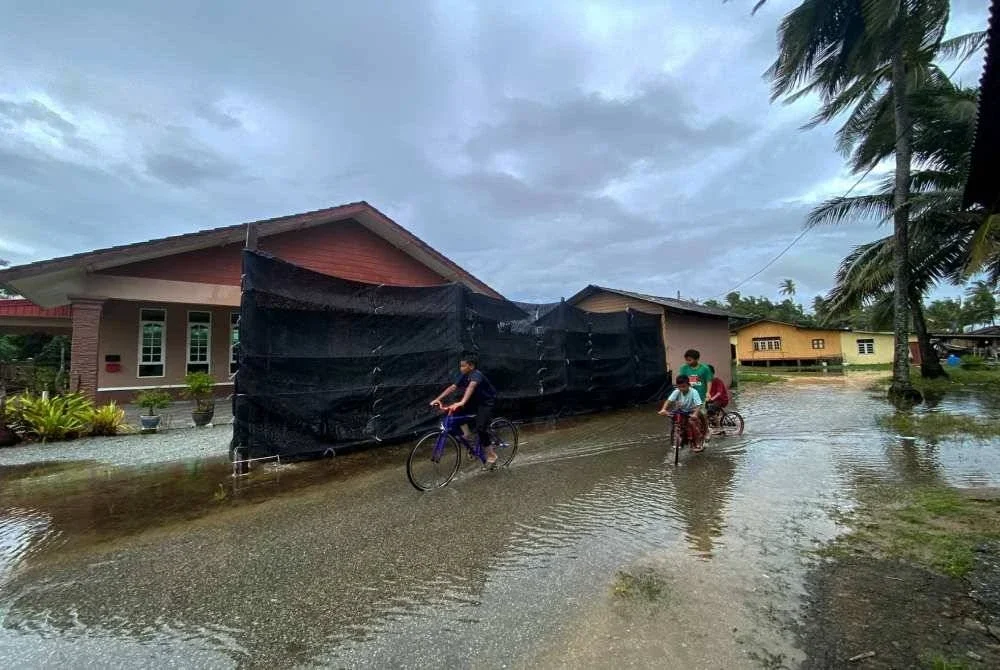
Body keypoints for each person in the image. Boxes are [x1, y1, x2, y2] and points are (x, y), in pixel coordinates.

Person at [430, 353, 498, 464]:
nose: (460, 368)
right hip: (474, 401)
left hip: (485, 402)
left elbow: (471, 387)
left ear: (471, 366)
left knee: (481, 428)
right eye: (460, 366)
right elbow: (452, 388)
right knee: (455, 410)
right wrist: (438, 399)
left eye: (463, 366)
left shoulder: (477, 375)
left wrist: (462, 402)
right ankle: (467, 434)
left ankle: (491, 454)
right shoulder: (464, 375)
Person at [657, 374, 704, 451]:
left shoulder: (694, 392)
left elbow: (698, 405)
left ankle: (697, 442)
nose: (681, 389)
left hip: (692, 411)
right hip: (681, 411)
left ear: (689, 385)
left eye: (684, 386)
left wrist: (695, 414)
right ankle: (677, 439)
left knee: (691, 423)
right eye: (679, 387)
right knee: (674, 421)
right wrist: (663, 409)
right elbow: (669, 401)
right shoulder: (677, 391)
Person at [678, 349, 712, 437]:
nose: (688, 362)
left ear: (697, 359)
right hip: (687, 396)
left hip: (700, 396)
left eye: (690, 360)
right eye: (686, 360)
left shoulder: (704, 369)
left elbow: (708, 381)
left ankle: (706, 430)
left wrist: (708, 392)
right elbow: (681, 380)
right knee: (684, 413)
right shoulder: (683, 368)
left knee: (702, 414)